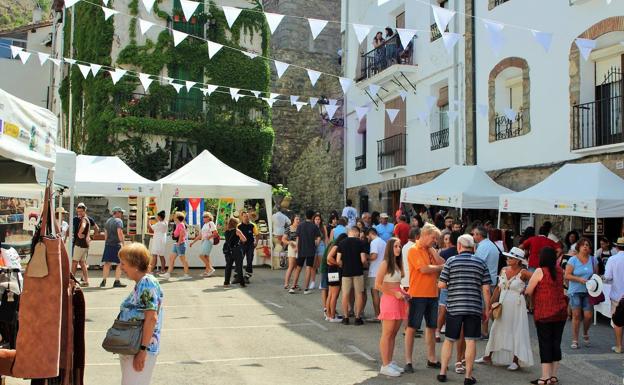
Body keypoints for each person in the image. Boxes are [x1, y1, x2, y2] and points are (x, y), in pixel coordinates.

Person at [437, 234, 491, 385]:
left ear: (459, 246)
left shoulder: (451, 261)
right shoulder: (481, 263)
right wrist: (487, 309)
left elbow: (441, 285)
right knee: (471, 341)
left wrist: (453, 285)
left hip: (454, 307)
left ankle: (442, 372)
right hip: (473, 308)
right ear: (473, 247)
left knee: (449, 340)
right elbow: (486, 290)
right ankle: (468, 376)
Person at [476, 247, 534, 370]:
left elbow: (537, 279)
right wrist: (489, 306)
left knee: (516, 330)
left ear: (518, 260)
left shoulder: (523, 272)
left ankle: (516, 360)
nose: (508, 259)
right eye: (508, 257)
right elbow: (498, 289)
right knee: (496, 328)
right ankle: (488, 356)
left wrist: (528, 291)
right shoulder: (503, 270)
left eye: (511, 258)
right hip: (502, 303)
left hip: (517, 305)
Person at [117, 243, 164, 385]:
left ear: (135, 264)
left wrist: (142, 351)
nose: (121, 267)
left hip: (139, 348)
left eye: (123, 263)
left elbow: (151, 318)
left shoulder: (146, 283)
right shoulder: (142, 283)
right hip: (133, 347)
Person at [404, 223, 445, 373]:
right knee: (412, 327)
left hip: (432, 294)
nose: (435, 241)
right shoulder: (413, 250)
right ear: (425, 234)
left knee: (431, 327)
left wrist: (433, 250)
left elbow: (442, 263)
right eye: (433, 238)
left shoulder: (430, 249)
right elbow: (424, 269)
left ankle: (432, 358)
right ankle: (408, 361)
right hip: (418, 294)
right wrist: (440, 267)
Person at [525, 247, 568, 385]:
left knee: (545, 344)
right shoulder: (560, 271)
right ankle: (553, 376)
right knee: (556, 343)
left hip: (544, 313)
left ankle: (545, 377)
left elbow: (529, 291)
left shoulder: (540, 271)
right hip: (560, 312)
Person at [376, 237, 408, 377]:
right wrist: (395, 293)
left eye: (399, 246)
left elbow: (396, 283)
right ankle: (384, 364)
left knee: (393, 334)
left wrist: (404, 292)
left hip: (399, 299)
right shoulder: (385, 263)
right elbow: (378, 285)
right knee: (387, 333)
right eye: (395, 246)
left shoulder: (397, 263)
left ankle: (389, 362)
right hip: (389, 300)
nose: (398, 249)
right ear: (390, 248)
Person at [564, 237, 597, 349]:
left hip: (589, 291)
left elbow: (595, 276)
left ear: (590, 248)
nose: (585, 247)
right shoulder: (573, 260)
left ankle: (585, 332)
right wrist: (579, 279)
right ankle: (575, 339)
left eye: (587, 245)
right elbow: (567, 275)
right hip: (575, 290)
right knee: (576, 315)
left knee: (588, 316)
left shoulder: (593, 260)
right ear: (579, 247)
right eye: (583, 245)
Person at [472, 226, 500, 338]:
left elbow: (477, 263)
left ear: (479, 235)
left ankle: (484, 331)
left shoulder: (483, 246)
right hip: (491, 278)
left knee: (484, 306)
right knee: (488, 305)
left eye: (474, 234)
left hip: (485, 281)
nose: (473, 236)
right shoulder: (491, 245)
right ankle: (486, 331)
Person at [336, 226, 368, 325]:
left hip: (346, 272)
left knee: (345, 295)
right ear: (355, 233)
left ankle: (346, 318)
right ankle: (357, 318)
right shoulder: (360, 243)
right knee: (359, 294)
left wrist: (343, 265)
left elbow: (338, 260)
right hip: (358, 272)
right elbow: (363, 259)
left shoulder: (341, 243)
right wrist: (365, 265)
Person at [436, 231, 461, 343]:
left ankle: (437, 331)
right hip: (460, 285)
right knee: (457, 311)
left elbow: (439, 270)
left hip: (446, 284)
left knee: (442, 309)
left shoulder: (444, 253)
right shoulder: (464, 254)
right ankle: (455, 332)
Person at [292, 210, 322, 295]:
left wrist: (297, 248)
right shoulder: (314, 226)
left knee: (298, 268)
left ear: (305, 216)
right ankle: (306, 288)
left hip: (301, 249)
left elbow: (297, 238)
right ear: (312, 217)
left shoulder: (300, 225)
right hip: (311, 250)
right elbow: (319, 238)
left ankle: (293, 286)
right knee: (308, 268)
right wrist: (316, 243)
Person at [604, 237, 624, 354]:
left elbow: (608, 278)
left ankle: (619, 346)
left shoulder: (612, 259)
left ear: (617, 247)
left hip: (617, 295)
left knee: (618, 322)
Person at [101, 207, 127, 288]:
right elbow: (119, 232)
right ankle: (117, 281)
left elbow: (106, 233)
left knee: (107, 263)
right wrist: (123, 243)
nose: (122, 214)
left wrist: (107, 242)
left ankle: (104, 280)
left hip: (108, 244)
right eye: (121, 213)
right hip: (116, 244)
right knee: (120, 263)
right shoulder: (119, 221)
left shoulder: (108, 221)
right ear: (117, 213)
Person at [160, 212, 191, 281]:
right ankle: (168, 273)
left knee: (183, 260)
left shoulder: (181, 225)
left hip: (180, 244)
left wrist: (179, 243)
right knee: (171, 258)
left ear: (177, 218)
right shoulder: (178, 224)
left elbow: (182, 234)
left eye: (175, 216)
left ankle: (186, 275)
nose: (174, 217)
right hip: (177, 244)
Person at [326, 233, 348, 322]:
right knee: (334, 295)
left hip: (331, 270)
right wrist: (338, 263)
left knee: (331, 294)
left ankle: (329, 315)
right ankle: (332, 316)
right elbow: (329, 258)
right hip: (334, 271)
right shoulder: (337, 247)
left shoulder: (334, 245)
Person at [367, 228, 386, 320]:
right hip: (383, 270)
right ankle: (383, 313)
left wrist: (366, 257)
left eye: (368, 236)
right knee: (383, 294)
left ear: (371, 234)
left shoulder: (374, 242)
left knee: (374, 293)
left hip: (374, 270)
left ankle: (377, 315)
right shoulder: (383, 242)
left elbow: (374, 256)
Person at [223, 217, 247, 287]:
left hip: (228, 250)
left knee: (228, 266)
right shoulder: (237, 231)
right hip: (236, 250)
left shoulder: (226, 231)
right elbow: (244, 239)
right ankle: (242, 283)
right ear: (236, 224)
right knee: (239, 266)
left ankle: (226, 282)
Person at [72, 204, 91, 287]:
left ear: (84, 211)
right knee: (82, 263)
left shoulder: (84, 219)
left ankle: (71, 280)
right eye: (78, 211)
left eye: (80, 211)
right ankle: (86, 281)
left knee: (74, 262)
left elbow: (83, 226)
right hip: (84, 245)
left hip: (80, 244)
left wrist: (79, 233)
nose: (79, 213)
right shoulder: (86, 219)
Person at [238, 211, 256, 283]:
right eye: (245, 216)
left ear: (249, 217)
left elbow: (257, 234)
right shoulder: (239, 226)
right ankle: (238, 276)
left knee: (249, 260)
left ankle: (247, 276)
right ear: (242, 217)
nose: (246, 218)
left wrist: (256, 242)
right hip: (241, 245)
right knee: (239, 260)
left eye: (247, 216)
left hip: (250, 245)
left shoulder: (253, 225)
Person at [284, 215, 300, 291]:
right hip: (292, 247)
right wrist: (289, 242)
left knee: (297, 267)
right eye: (297, 219)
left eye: (299, 219)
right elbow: (283, 239)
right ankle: (286, 283)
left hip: (299, 247)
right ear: (293, 220)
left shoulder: (300, 228)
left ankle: (295, 283)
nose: (298, 220)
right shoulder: (289, 228)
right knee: (291, 266)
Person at [313, 213, 328, 292]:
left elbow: (326, 238)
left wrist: (326, 248)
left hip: (321, 245)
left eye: (319, 219)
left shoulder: (323, 227)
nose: (317, 221)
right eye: (316, 219)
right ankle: (312, 281)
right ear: (314, 220)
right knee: (313, 265)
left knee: (321, 265)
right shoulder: (312, 227)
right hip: (313, 245)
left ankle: (321, 283)